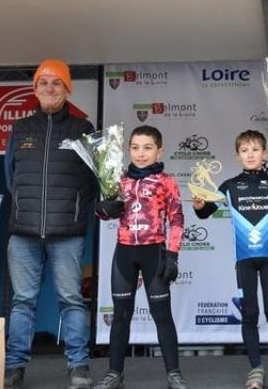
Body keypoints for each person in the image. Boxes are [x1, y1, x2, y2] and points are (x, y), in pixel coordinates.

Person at [4, 59, 97, 389]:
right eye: (43, 82)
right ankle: (14, 366)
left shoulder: (82, 130)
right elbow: (10, 176)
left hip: (66, 233)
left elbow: (96, 178)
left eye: (56, 83)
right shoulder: (21, 129)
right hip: (24, 232)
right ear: (34, 88)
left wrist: (83, 209)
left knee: (71, 299)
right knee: (22, 301)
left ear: (68, 89)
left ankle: (79, 366)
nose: (49, 88)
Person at [192, 130, 268, 389]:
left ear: (265, 154)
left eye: (255, 150)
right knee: (250, 314)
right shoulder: (229, 186)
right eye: (245, 150)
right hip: (244, 260)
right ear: (237, 156)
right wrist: (199, 205)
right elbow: (204, 213)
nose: (250, 154)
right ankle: (255, 370)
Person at [92, 125, 188, 389]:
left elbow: (177, 219)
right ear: (128, 150)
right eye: (135, 147)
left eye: (147, 148)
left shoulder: (167, 181)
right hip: (123, 253)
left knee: (162, 315)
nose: (141, 153)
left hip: (154, 253)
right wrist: (103, 208)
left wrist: (172, 256)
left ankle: (174, 373)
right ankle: (114, 374)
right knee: (121, 315)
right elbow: (102, 213)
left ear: (159, 151)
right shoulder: (117, 179)